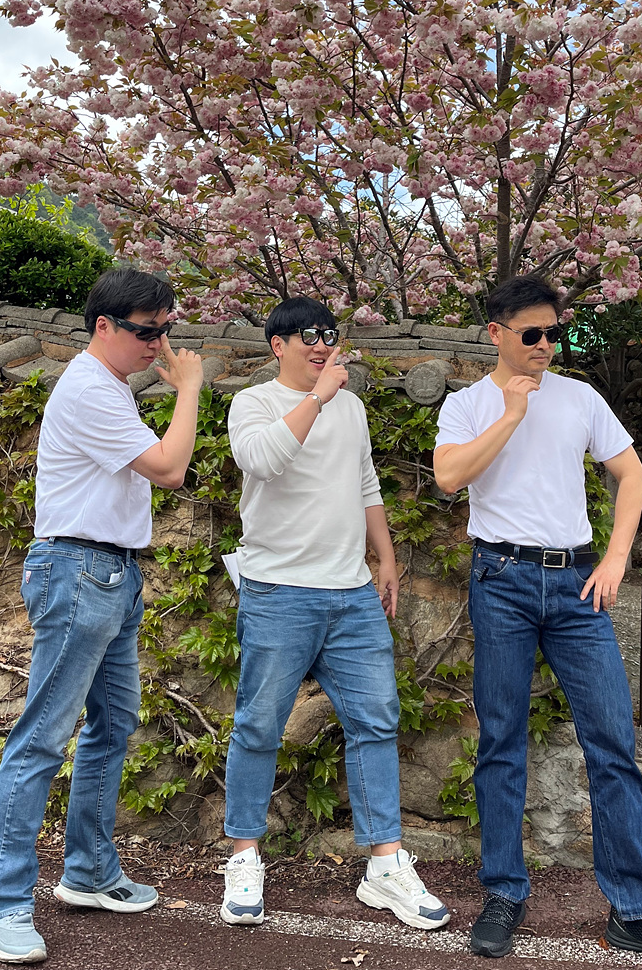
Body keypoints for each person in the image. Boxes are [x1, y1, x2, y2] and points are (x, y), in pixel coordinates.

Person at [433, 275, 642, 970]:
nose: (545, 345)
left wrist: (618, 556)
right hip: (500, 580)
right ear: (496, 333)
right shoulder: (468, 405)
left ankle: (637, 911)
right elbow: (449, 477)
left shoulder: (581, 398)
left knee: (613, 741)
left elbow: (633, 475)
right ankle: (504, 893)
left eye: (553, 333)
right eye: (532, 334)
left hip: (576, 585)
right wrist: (510, 413)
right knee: (501, 741)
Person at [0, 268, 204, 964]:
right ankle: (5, 907)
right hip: (79, 571)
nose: (159, 343)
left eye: (166, 329)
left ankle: (89, 872)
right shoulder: (88, 389)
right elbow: (168, 468)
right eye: (147, 331)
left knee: (112, 726)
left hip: (111, 573)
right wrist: (190, 388)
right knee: (42, 740)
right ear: (103, 326)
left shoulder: (110, 387)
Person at [221, 296, 449, 931]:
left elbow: (365, 483)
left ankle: (385, 866)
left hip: (351, 592)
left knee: (375, 721)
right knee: (259, 726)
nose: (322, 344)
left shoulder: (351, 408)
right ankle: (244, 857)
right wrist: (318, 398)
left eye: (330, 333)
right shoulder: (254, 403)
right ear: (278, 345)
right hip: (277, 589)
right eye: (308, 335)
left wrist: (386, 558)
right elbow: (262, 460)